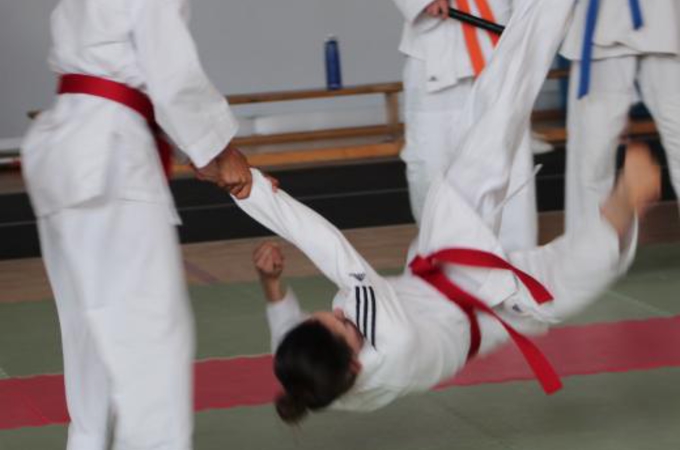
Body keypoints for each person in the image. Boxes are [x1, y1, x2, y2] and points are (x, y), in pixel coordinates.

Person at [222, 0, 659, 424]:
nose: (338, 312)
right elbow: (329, 247)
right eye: (341, 326)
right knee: (582, 272)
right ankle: (627, 200)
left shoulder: (314, 381)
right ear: (355, 366)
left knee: (494, 119)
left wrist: (271, 283)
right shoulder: (389, 337)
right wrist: (251, 192)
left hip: (439, 258)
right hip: (489, 311)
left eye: (322, 315)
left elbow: (287, 331)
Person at [20, 0, 252, 449]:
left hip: (67, 149)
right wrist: (218, 150)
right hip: (111, 156)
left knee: (89, 339)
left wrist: (195, 147)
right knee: (150, 348)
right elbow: (170, 67)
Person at [392, 0, 539, 251]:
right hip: (435, 46)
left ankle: (513, 257)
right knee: (432, 161)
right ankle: (443, 253)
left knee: (509, 162)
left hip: (502, 39)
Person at [560, 0, 680, 232]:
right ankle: (588, 249)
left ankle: (588, 245)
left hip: (668, 17)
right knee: (592, 152)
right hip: (600, 22)